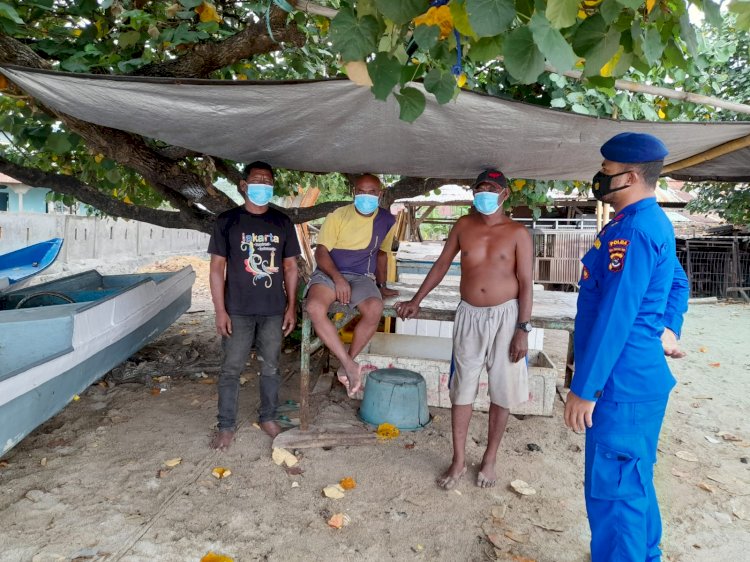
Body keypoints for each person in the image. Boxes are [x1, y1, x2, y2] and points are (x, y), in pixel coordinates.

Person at [563, 132, 689, 561]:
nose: (599, 178)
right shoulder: (647, 222)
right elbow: (675, 281)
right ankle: (646, 554)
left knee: (615, 494)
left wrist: (586, 388)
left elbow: (616, 316)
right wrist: (668, 326)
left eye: (606, 172)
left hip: (620, 385)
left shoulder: (633, 231)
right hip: (637, 379)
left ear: (630, 176)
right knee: (633, 480)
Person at [396, 169, 533, 490]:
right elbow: (442, 264)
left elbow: (526, 282)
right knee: (462, 389)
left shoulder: (518, 233)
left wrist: (523, 328)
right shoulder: (463, 226)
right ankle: (458, 459)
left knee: (503, 390)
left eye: (491, 188)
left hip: (506, 316)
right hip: (469, 315)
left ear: (504, 194)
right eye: (480, 188)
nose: (484, 193)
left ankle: (490, 457)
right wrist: (417, 299)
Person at [207, 161, 301, 451]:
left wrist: (291, 306)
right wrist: (220, 310)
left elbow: (290, 267)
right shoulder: (227, 221)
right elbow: (215, 269)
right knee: (231, 368)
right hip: (237, 309)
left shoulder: (281, 222)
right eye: (257, 179)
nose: (263, 184)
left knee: (271, 366)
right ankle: (225, 425)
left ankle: (269, 418)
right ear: (244, 185)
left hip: (273, 309)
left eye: (268, 181)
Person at [305, 174, 398, 397]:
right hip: (329, 273)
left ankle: (347, 363)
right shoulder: (338, 216)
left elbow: (383, 255)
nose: (366, 196)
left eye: (372, 192)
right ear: (354, 193)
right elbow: (321, 252)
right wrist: (338, 278)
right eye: (361, 191)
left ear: (380, 194)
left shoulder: (387, 220)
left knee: (375, 308)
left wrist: (382, 284)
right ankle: (348, 364)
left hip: (362, 277)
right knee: (314, 308)